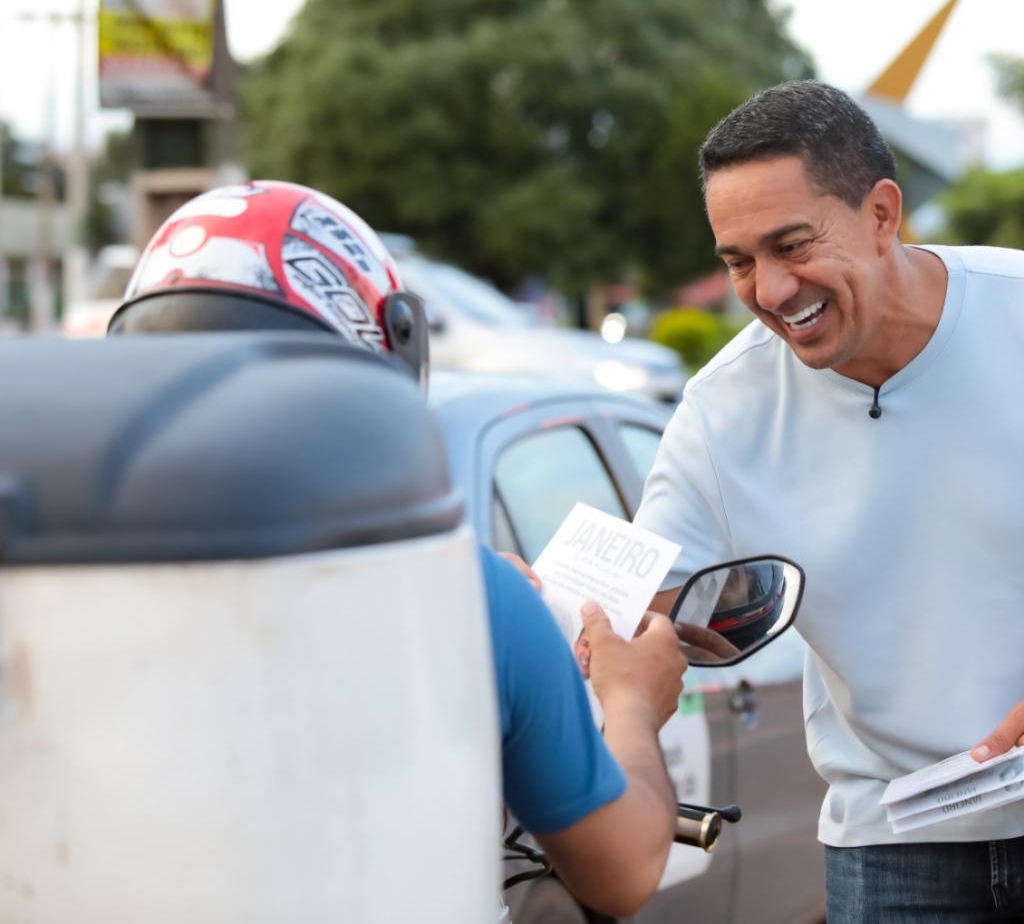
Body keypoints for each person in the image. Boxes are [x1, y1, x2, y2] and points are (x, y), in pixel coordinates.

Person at [635, 81, 1024, 922]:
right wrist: (551, 617)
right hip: (890, 836)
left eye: (792, 245)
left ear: (882, 215)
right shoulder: (723, 410)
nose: (772, 290)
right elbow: (643, 603)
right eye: (739, 261)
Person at [107, 180, 685, 918]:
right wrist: (633, 702)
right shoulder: (474, 602)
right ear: (385, 359)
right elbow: (623, 868)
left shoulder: (54, 579)